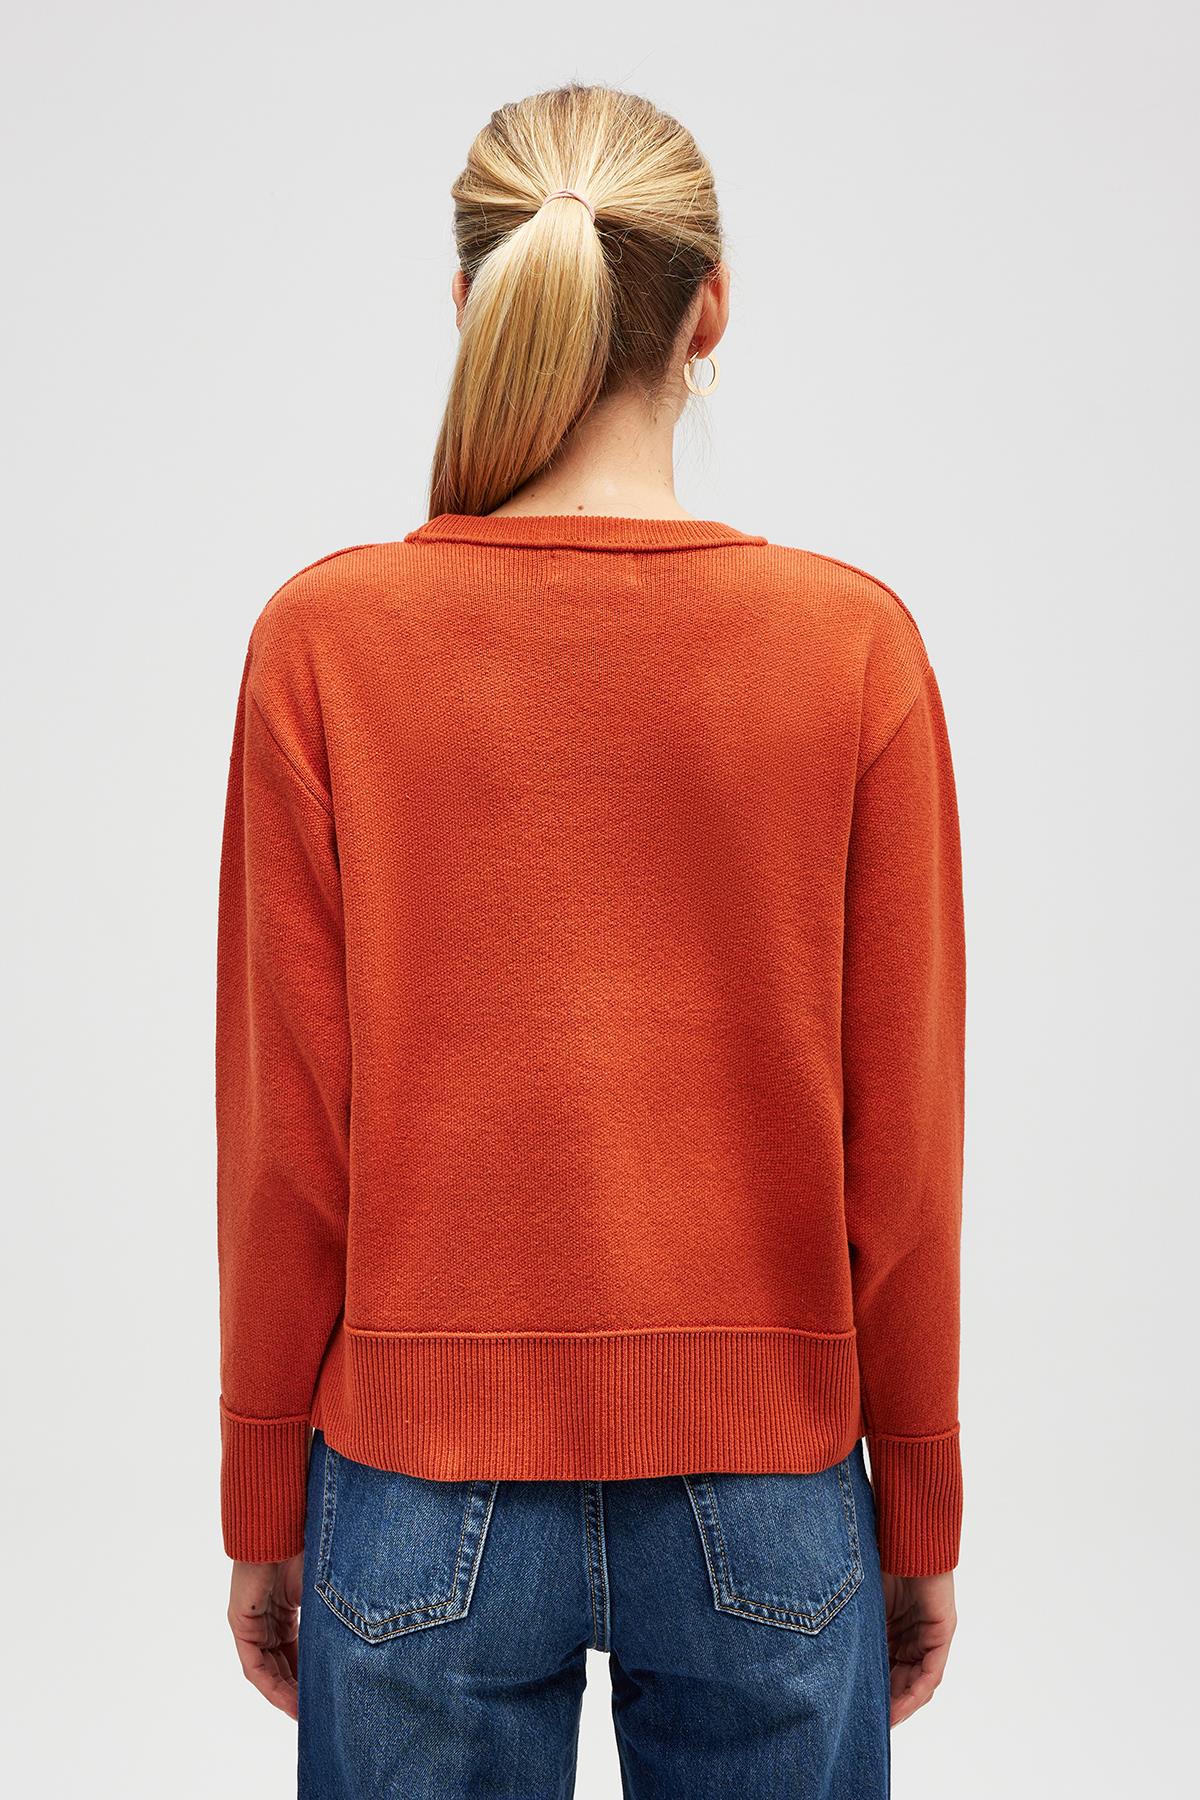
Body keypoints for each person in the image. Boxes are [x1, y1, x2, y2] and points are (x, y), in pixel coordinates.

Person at [215, 80, 966, 1799]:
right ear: (711, 311)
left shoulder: (325, 644)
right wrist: (917, 1499)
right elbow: (905, 1155)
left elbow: (288, 1148)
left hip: (416, 1485)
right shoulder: (852, 650)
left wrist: (265, 1494)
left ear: (470, 301)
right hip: (772, 1483)